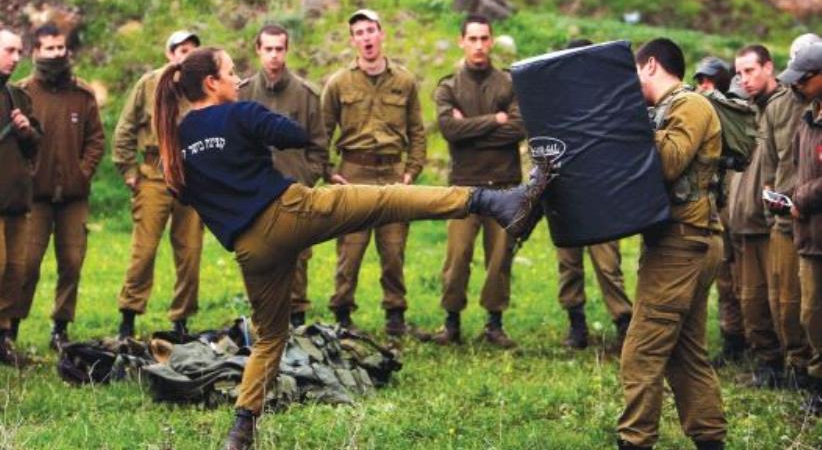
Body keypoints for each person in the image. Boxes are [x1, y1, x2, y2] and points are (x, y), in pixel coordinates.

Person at [150, 46, 549, 449]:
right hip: (289, 213)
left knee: (269, 337)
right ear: (211, 83)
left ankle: (241, 429)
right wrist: (256, 123)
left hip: (251, 250)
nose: (238, 80)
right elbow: (294, 135)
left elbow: (185, 193)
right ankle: (493, 201)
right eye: (232, 73)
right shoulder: (240, 112)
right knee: (386, 200)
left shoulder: (176, 140)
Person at [617, 38, 725, 450]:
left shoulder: (691, 105)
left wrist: (636, 121)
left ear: (649, 65)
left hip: (685, 244)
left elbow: (670, 161)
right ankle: (710, 438)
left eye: (633, 72)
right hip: (682, 241)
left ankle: (635, 441)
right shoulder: (665, 110)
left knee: (642, 350)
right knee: (685, 351)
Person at [322, 9, 427, 335]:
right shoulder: (339, 82)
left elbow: (418, 131)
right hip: (353, 173)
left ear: (381, 34)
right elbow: (321, 132)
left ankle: (395, 316)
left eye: (371, 30)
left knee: (394, 249)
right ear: (353, 40)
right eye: (359, 33)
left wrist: (411, 170)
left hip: (393, 174)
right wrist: (327, 171)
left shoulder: (404, 80)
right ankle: (342, 315)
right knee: (350, 251)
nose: (366, 37)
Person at [430, 14, 526, 349]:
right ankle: (451, 322)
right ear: (462, 42)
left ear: (492, 40)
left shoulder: (509, 84)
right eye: (472, 39)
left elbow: (519, 128)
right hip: (464, 186)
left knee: (500, 257)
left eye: (484, 38)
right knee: (457, 257)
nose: (479, 45)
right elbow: (449, 131)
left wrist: (470, 129)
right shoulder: (448, 86)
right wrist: (493, 122)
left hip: (504, 183)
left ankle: (494, 323)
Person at [15, 23, 104, 350]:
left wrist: (82, 172)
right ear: (36, 51)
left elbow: (96, 140)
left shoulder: (82, 94)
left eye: (60, 47)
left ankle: (60, 327)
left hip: (73, 197)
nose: (56, 53)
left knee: (72, 261)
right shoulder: (21, 93)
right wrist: (27, 173)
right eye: (49, 48)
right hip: (33, 197)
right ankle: (10, 327)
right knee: (26, 264)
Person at [113, 30, 204, 339]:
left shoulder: (203, 86)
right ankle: (128, 314)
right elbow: (125, 126)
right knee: (145, 249)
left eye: (191, 50)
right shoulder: (149, 84)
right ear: (169, 54)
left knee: (190, 250)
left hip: (192, 174)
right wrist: (128, 169)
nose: (185, 55)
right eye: (179, 49)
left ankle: (181, 318)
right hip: (153, 172)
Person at [239, 24, 328, 328]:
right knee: (257, 254)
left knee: (298, 255)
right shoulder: (243, 93)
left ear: (286, 51)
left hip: (294, 188)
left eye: (280, 49)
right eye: (268, 49)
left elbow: (319, 145)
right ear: (258, 51)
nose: (274, 55)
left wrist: (305, 178)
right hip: (254, 192)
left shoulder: (306, 94)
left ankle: (298, 316)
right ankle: (262, 317)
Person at [552, 39, 633, 351]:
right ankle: (576, 325)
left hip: (601, 196)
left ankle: (624, 324)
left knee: (608, 264)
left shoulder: (607, 99)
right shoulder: (553, 101)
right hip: (565, 195)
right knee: (568, 265)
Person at [727, 44, 789, 387]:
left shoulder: (786, 106)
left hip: (772, 223)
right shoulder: (747, 111)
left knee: (781, 301)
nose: (744, 79)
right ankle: (767, 363)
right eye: (739, 73)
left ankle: (789, 368)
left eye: (750, 71)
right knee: (750, 300)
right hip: (744, 223)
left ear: (769, 67)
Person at [760, 36, 819, 387]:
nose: (797, 84)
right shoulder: (809, 117)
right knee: (807, 308)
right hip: (805, 226)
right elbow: (789, 161)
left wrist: (800, 196)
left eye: (804, 77)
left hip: (809, 216)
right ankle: (810, 376)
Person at [692, 57, 747, 365]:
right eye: (700, 81)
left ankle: (752, 339)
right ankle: (732, 339)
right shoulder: (696, 110)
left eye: (709, 81)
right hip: (717, 203)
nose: (703, 87)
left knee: (746, 280)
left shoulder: (734, 112)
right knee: (724, 279)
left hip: (739, 203)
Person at [0, 28, 40, 365]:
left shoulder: (19, 96)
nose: (16, 58)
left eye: (18, 52)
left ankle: (3, 338)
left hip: (15, 199)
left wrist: (27, 129)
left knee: (16, 269)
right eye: (9, 51)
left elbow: (35, 143)